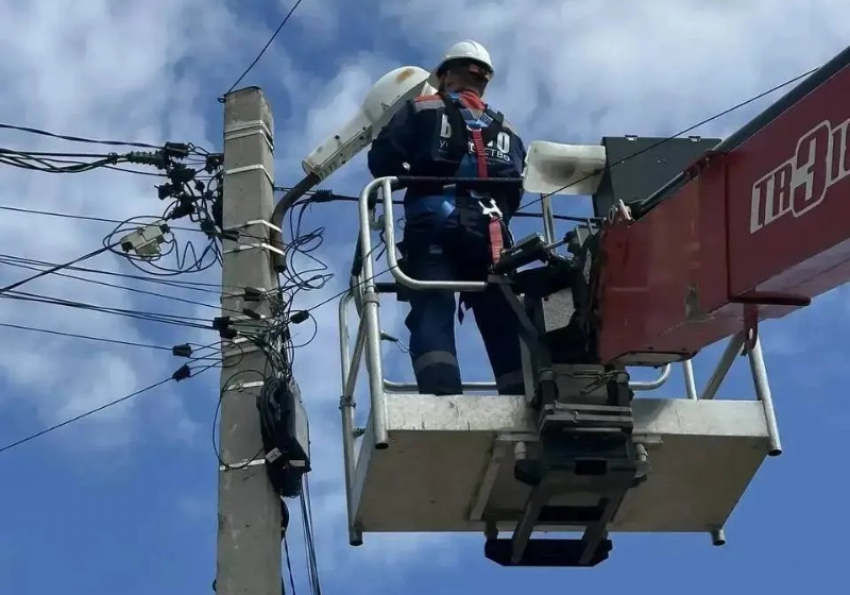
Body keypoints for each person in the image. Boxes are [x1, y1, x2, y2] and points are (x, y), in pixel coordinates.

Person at [367, 40, 527, 396]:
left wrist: (411, 175)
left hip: (433, 221)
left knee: (431, 305)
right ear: (483, 80)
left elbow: (382, 161)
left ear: (442, 76)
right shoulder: (509, 130)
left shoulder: (421, 108)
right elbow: (515, 188)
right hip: (491, 232)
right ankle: (519, 395)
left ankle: (442, 394)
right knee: (501, 311)